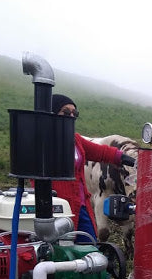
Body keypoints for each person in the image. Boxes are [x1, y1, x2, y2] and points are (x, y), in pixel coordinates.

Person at [50, 93, 134, 242]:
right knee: (61, 248)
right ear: (52, 112)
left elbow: (100, 152)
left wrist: (125, 158)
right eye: (66, 112)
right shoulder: (43, 140)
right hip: (57, 207)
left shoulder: (74, 139)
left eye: (74, 113)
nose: (71, 116)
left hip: (80, 204)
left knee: (88, 245)